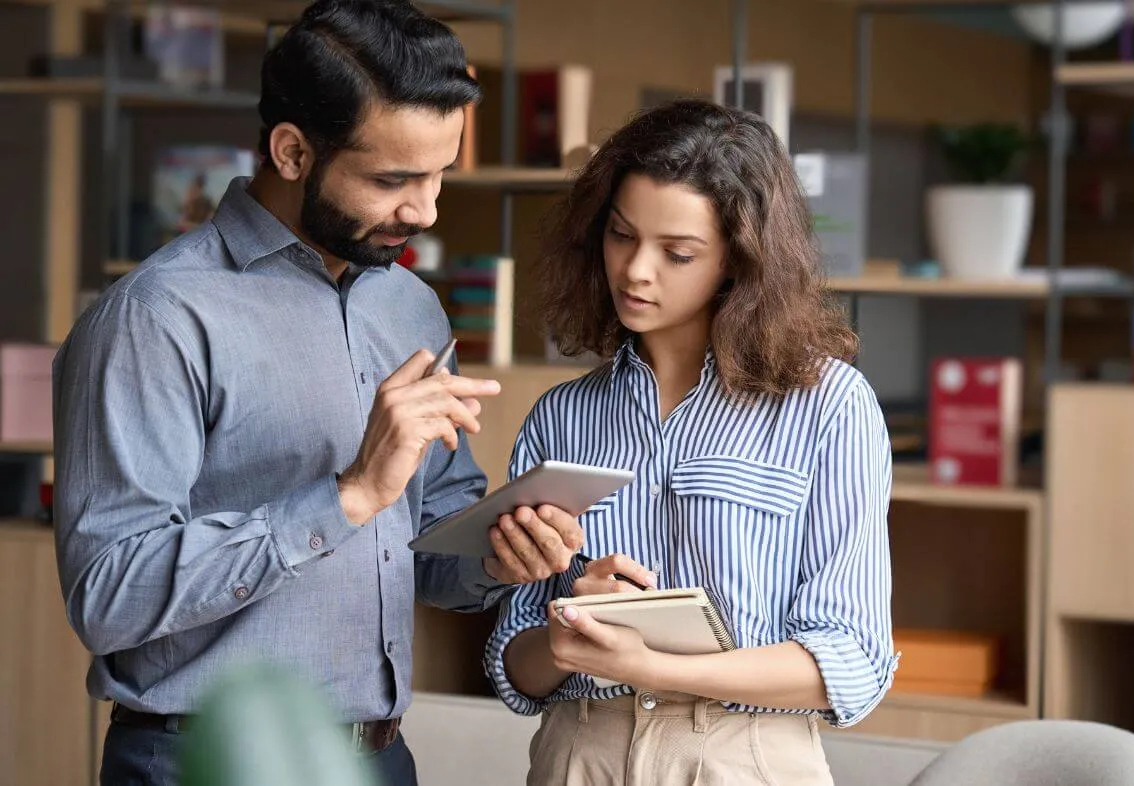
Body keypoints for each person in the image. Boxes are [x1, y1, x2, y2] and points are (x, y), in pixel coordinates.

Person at [51, 2, 583, 785]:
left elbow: (429, 550)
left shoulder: (410, 306)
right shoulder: (156, 318)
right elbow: (108, 594)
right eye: (392, 179)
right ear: (292, 151)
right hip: (202, 758)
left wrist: (504, 556)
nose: (425, 210)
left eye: (439, 173)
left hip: (381, 756)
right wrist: (348, 496)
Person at [483, 99, 898, 785]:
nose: (636, 270)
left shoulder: (831, 408)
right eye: (621, 236)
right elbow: (516, 665)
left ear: (739, 261)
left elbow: (850, 658)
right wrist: (565, 637)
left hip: (744, 758)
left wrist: (656, 668)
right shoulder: (560, 417)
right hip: (580, 757)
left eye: (677, 252)